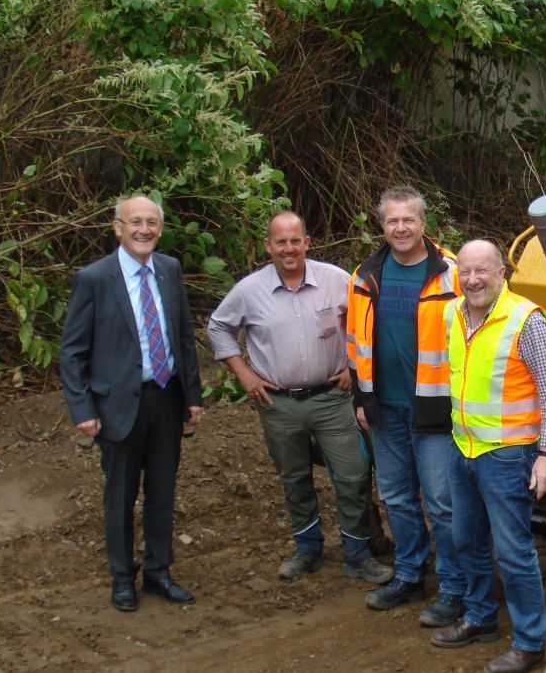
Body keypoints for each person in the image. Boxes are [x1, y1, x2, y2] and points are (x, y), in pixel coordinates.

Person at [207, 211, 393, 585]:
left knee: (353, 473)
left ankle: (357, 553)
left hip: (333, 398)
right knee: (294, 477)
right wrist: (243, 373)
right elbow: (218, 326)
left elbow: (371, 320)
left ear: (307, 242)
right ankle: (307, 549)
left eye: (296, 241)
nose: (289, 249)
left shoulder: (336, 281)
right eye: (281, 242)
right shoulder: (249, 290)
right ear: (268, 246)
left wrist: (352, 368)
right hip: (279, 403)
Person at [431, 240, 546, 673]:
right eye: (466, 272)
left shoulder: (524, 321)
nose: (473, 280)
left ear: (501, 274)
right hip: (464, 449)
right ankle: (480, 617)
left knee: (513, 552)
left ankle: (530, 643)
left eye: (482, 272)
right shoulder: (452, 314)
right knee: (466, 540)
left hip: (509, 456)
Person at [60, 195, 203, 612]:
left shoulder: (170, 270)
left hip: (167, 397)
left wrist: (192, 397)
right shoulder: (93, 279)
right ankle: (123, 576)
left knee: (162, 492)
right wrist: (82, 409)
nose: (144, 230)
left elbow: (183, 337)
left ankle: (159, 572)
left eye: (152, 222)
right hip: (118, 405)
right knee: (120, 496)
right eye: (135, 222)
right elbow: (72, 352)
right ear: (117, 227)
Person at [347, 185, 466, 626]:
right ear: (382, 225)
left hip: (436, 409)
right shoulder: (365, 275)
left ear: (423, 223)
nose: (401, 228)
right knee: (397, 497)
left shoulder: (451, 272)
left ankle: (454, 587)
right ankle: (410, 574)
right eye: (392, 221)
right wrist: (362, 396)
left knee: (442, 503)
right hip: (385, 409)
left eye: (409, 220)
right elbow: (355, 342)